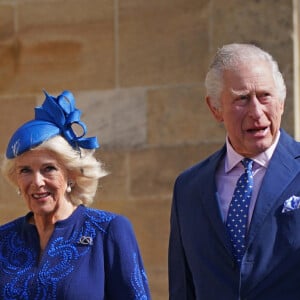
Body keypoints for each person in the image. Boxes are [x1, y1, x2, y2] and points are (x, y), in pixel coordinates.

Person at [168, 43, 300, 299]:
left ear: (282, 102)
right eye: (242, 98)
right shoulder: (189, 188)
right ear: (215, 108)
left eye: (265, 96)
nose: (256, 112)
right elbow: (184, 288)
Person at [0, 90, 151, 300]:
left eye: (48, 169)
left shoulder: (107, 231)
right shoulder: (4, 239)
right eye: (25, 170)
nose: (37, 182)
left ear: (70, 175)